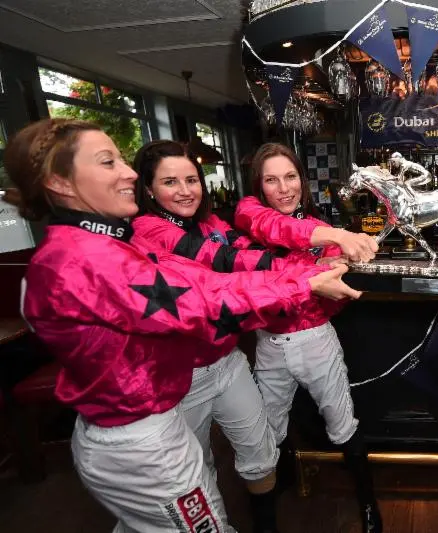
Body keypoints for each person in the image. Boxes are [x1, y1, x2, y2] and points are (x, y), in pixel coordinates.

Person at [8, 118, 359, 533]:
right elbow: (202, 301)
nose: (129, 172)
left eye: (192, 179)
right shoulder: (86, 258)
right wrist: (305, 280)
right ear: (59, 182)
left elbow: (214, 274)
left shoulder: (105, 243)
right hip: (141, 433)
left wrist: (306, 272)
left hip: (162, 411)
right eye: (107, 161)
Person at [130, 140, 320, 533]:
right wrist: (308, 269)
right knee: (196, 469)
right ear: (148, 188)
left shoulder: (212, 224)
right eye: (170, 182)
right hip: (183, 375)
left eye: (192, 180)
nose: (186, 190)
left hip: (228, 360)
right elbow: (222, 260)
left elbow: (245, 250)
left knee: (260, 451)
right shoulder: (146, 229)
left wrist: (305, 265)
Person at [234, 143, 383, 533]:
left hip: (316, 340)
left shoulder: (321, 230)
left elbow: (336, 301)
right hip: (269, 344)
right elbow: (274, 243)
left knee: (342, 423)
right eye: (272, 180)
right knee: (268, 430)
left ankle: (369, 506)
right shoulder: (250, 218)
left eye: (290, 177)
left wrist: (340, 267)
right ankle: (271, 505)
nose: (284, 188)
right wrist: (315, 266)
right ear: (259, 185)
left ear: (302, 180)